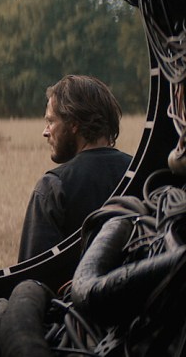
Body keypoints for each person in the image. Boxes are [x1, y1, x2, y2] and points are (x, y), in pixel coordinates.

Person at [17, 75, 133, 262]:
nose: (45, 132)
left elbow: (32, 280)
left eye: (51, 121)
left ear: (73, 124)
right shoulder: (140, 174)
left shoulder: (53, 187)